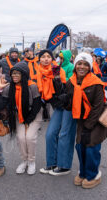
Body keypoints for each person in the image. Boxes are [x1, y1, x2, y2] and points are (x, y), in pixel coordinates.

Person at [65, 52, 107, 189]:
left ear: (90, 67)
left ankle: (94, 175)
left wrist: (89, 126)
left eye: (85, 64)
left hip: (96, 121)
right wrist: (64, 101)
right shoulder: (70, 82)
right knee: (79, 146)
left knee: (91, 147)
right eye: (79, 64)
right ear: (75, 65)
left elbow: (98, 107)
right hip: (81, 120)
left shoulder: (96, 83)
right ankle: (83, 172)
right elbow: (70, 103)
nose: (82, 67)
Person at [0, 62, 41, 175]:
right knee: (21, 138)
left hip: (32, 115)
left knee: (29, 137)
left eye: (17, 73)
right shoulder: (10, 88)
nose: (14, 76)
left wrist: (28, 120)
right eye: (13, 73)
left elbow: (37, 105)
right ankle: (24, 161)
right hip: (18, 115)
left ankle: (31, 162)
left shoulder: (32, 86)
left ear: (24, 74)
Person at [38, 50, 77, 176]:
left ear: (52, 59)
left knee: (64, 134)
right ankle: (52, 163)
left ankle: (64, 166)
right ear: (39, 59)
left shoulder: (57, 70)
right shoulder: (39, 72)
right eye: (43, 57)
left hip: (69, 104)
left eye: (48, 56)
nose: (45, 59)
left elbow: (67, 87)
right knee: (50, 134)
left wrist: (62, 97)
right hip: (58, 105)